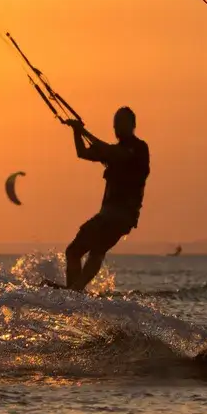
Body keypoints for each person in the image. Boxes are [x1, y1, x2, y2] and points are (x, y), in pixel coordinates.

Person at [62, 107, 150, 291]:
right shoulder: (112, 151)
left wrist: (83, 131)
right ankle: (74, 290)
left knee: (95, 250)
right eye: (115, 124)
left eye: (121, 123)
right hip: (108, 215)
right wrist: (76, 132)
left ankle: (75, 291)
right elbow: (82, 153)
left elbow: (115, 154)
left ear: (133, 125)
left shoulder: (139, 148)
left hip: (121, 216)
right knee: (75, 252)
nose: (117, 127)